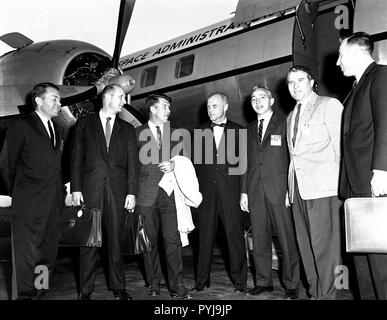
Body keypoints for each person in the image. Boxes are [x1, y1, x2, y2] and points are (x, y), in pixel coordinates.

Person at [71, 84, 137, 300]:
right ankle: (86, 291)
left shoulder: (127, 129)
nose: (124, 102)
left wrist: (131, 192)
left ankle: (119, 287)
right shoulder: (83, 124)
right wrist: (76, 188)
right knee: (89, 241)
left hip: (118, 192)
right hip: (90, 190)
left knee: (116, 241)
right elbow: (75, 160)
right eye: (120, 97)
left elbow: (133, 165)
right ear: (108, 98)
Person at [337, 31, 387, 300]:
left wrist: (382, 171)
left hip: (372, 183)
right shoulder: (357, 87)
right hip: (356, 186)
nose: (338, 62)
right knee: (362, 262)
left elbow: (386, 124)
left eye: (341, 55)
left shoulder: (380, 76)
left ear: (357, 52)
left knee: (380, 263)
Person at [286, 65, 343, 300]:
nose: (295, 86)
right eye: (291, 82)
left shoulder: (329, 105)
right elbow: (294, 156)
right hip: (298, 189)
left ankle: (330, 296)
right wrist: (288, 190)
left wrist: (343, 187)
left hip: (325, 187)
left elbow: (341, 149)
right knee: (307, 247)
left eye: (300, 80)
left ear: (311, 82)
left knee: (327, 249)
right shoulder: (291, 116)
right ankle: (315, 293)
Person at [240, 85, 300, 299]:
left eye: (262, 97)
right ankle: (263, 281)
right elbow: (245, 163)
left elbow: (293, 158)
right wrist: (244, 192)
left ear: (272, 100)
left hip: (279, 191)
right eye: (254, 98)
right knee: (259, 238)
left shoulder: (285, 122)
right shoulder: (247, 129)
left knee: (286, 238)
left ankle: (292, 284)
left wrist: (290, 188)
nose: (257, 101)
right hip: (255, 192)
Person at [6, 82, 64, 299]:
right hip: (28, 202)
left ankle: (40, 293)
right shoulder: (21, 125)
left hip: (52, 204)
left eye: (59, 99)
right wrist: (11, 193)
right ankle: (23, 296)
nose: (59, 103)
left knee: (46, 256)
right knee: (25, 257)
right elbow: (7, 162)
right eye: (54, 99)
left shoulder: (56, 129)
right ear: (39, 101)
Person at [135, 93, 191, 299]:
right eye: (165, 107)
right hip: (144, 195)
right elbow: (131, 168)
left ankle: (177, 285)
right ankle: (153, 282)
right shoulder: (136, 133)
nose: (169, 111)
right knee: (148, 241)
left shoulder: (177, 134)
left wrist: (176, 164)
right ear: (153, 109)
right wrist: (130, 195)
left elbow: (187, 163)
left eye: (169, 107)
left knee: (173, 240)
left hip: (170, 194)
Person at [193, 92, 247, 293]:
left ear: (225, 107)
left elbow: (242, 167)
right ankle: (201, 279)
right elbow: (197, 166)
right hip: (207, 192)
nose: (210, 109)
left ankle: (240, 280)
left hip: (230, 192)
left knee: (234, 235)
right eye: (208, 106)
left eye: (214, 106)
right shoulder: (199, 132)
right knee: (205, 235)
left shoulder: (238, 131)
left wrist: (243, 193)